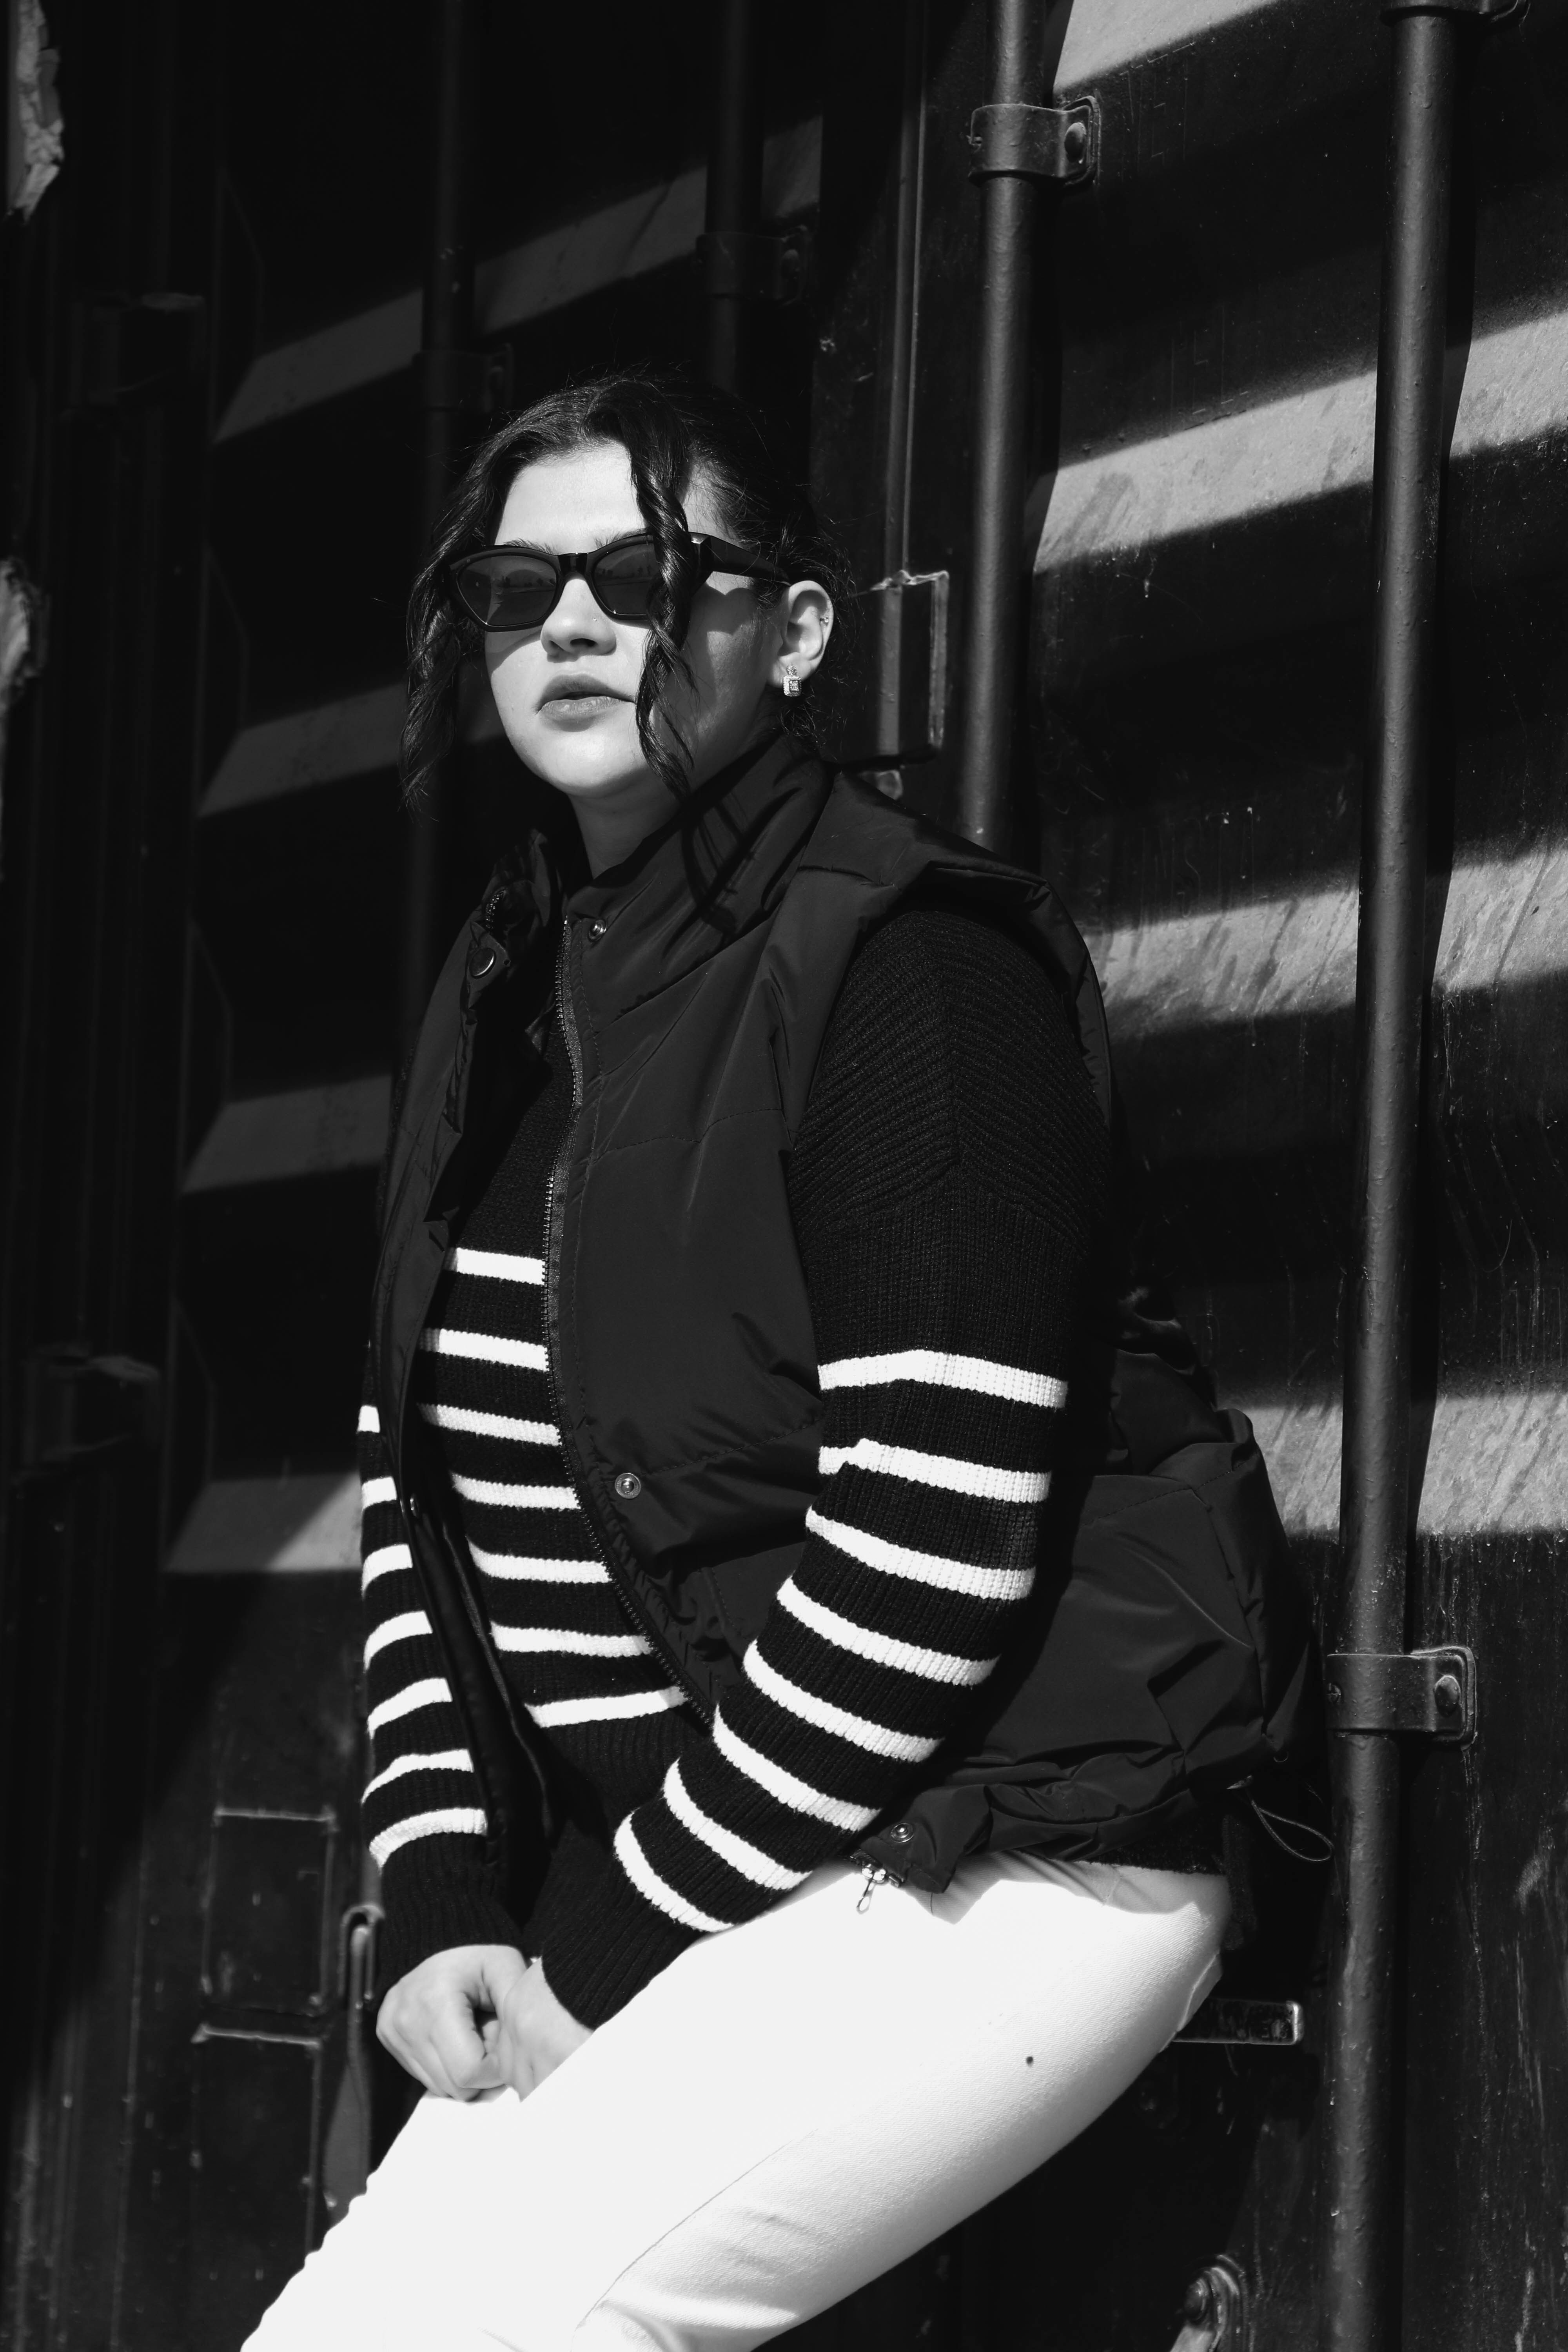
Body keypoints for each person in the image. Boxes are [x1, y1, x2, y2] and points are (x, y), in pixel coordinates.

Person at [247, 370, 1242, 2352]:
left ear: (793, 633)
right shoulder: (516, 981)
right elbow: (414, 1497)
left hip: (1003, 1844)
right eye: (516, 589)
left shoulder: (908, 969)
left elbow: (921, 1572)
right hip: (706, 1878)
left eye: (642, 573)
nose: (576, 627)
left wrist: (597, 1943)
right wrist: (444, 1882)